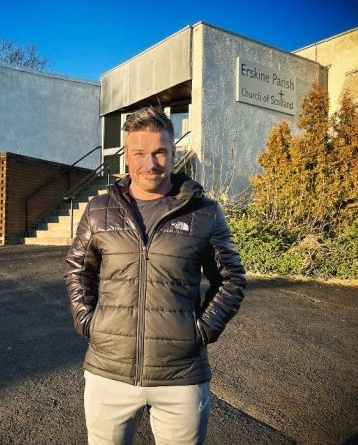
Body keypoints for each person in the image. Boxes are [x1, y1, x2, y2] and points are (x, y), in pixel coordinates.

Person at [65, 106, 246, 445]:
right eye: (140, 153)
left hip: (181, 377)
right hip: (109, 372)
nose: (151, 164)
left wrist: (202, 329)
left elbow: (231, 278)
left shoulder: (204, 212)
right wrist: (87, 321)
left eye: (160, 152)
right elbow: (78, 269)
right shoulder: (99, 209)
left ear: (173, 152)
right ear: (127, 157)